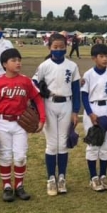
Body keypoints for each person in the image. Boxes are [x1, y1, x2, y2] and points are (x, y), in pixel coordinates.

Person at [0, 49, 45, 202]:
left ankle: (19, 186)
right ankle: (6, 187)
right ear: (4, 64)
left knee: (20, 156)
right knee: (5, 155)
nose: (18, 63)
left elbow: (38, 99)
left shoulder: (26, 81)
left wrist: (42, 119)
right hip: (2, 122)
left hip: (21, 123)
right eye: (13, 60)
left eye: (19, 60)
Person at [32, 33, 81, 196]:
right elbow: (33, 84)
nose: (59, 50)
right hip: (49, 104)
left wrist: (75, 111)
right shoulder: (44, 65)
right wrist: (41, 90)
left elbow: (76, 90)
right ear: (49, 47)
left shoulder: (72, 65)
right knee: (52, 144)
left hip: (66, 104)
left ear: (66, 47)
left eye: (62, 47)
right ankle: (51, 179)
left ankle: (62, 178)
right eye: (55, 47)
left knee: (63, 144)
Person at [81, 44, 107, 191]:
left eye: (106, 56)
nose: (105, 59)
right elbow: (84, 96)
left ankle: (103, 175)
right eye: (101, 56)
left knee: (105, 144)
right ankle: (93, 177)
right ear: (94, 58)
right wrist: (90, 113)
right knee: (93, 143)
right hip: (93, 107)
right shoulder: (88, 74)